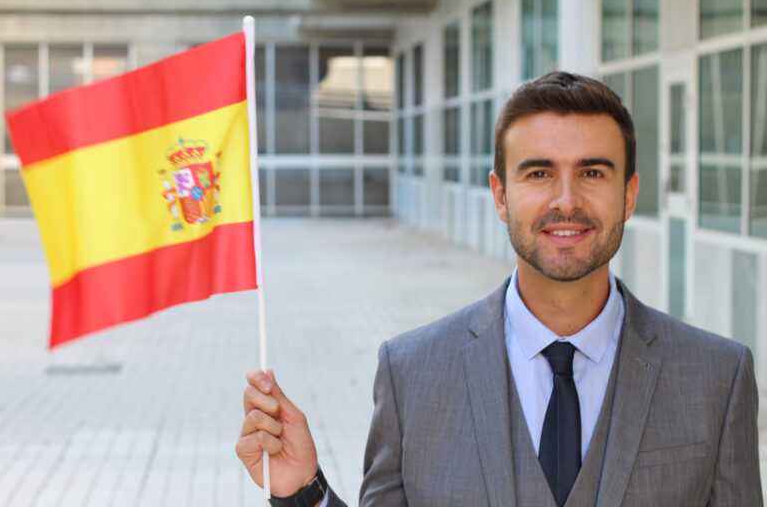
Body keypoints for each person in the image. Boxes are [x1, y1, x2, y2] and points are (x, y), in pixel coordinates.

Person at [235, 72, 762, 507]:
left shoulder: (719, 378)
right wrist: (304, 491)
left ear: (628, 195)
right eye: (538, 173)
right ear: (501, 195)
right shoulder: (411, 374)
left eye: (593, 172)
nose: (566, 200)